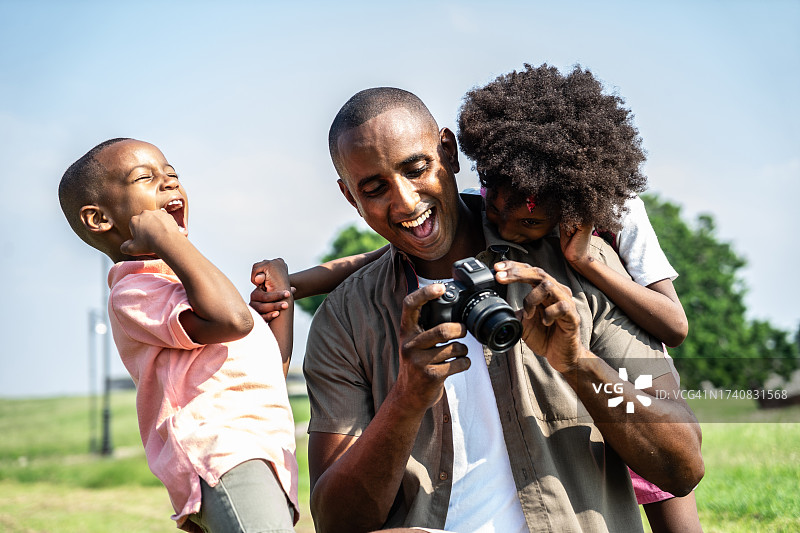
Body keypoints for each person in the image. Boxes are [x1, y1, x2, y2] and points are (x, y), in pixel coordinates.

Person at [251, 87, 703, 532]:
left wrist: (578, 364)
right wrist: (407, 398)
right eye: (374, 188)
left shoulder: (579, 269)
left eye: (416, 169)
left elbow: (682, 468)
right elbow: (336, 522)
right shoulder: (345, 321)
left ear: (448, 152)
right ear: (351, 198)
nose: (405, 201)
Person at [456, 64, 701, 532]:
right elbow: (378, 256)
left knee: (675, 510)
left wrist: (586, 262)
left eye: (530, 224)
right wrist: (309, 282)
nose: (507, 229)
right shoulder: (488, 195)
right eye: (497, 213)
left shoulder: (618, 209)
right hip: (567, 383)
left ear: (573, 205)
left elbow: (674, 325)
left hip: (637, 376)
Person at [58, 138, 299, 533]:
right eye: (145, 178)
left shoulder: (184, 289)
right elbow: (235, 321)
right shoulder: (136, 291)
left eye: (172, 174)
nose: (169, 183)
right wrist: (168, 240)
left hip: (260, 453)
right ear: (99, 218)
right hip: (223, 454)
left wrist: (281, 299)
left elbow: (268, 370)